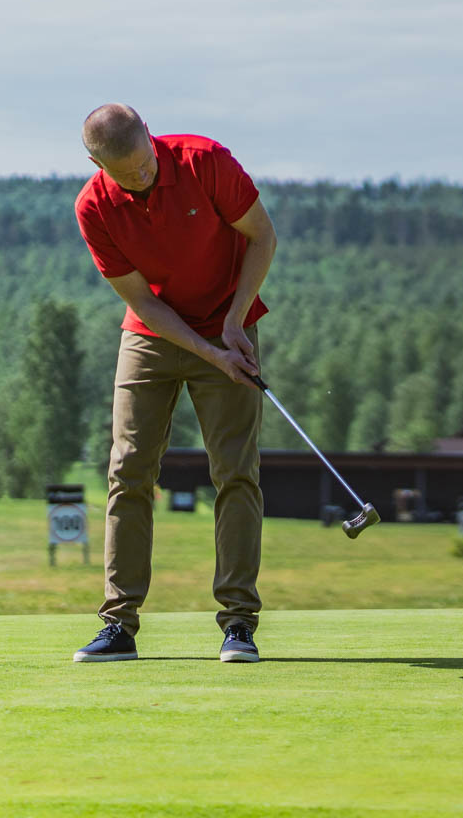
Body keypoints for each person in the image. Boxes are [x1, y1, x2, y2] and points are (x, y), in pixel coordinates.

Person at [69, 104, 278, 665]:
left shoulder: (205, 161)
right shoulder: (94, 206)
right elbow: (140, 300)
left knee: (234, 471)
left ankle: (238, 623)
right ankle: (119, 624)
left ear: (150, 138)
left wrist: (234, 326)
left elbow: (262, 236)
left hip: (228, 321)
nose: (141, 178)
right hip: (152, 332)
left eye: (144, 164)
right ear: (95, 163)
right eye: (125, 173)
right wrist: (205, 351)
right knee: (128, 469)